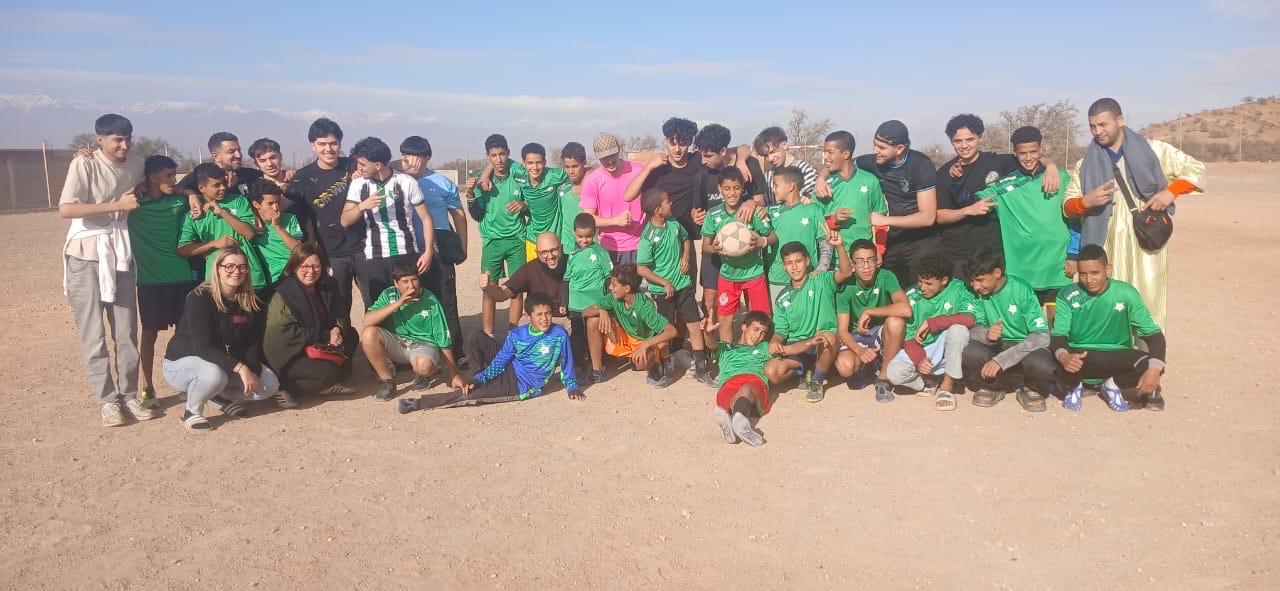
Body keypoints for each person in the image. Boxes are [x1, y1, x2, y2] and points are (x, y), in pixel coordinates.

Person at [1064, 98, 1206, 327]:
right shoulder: (1085, 164)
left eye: (1103, 124)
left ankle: (1150, 349)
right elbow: (1067, 206)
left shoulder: (1155, 150)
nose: (1098, 131)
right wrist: (1086, 202)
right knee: (1107, 309)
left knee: (1147, 304)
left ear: (1120, 120)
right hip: (1105, 245)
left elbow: (1196, 169)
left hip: (1145, 244)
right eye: (1093, 126)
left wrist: (1170, 193)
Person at [59, 113, 150, 427]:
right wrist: (116, 206)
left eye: (128, 138)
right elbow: (66, 208)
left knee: (126, 332)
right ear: (99, 139)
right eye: (117, 140)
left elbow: (152, 183)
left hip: (120, 254)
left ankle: (129, 395)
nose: (124, 145)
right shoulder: (84, 164)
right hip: (85, 254)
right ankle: (108, 402)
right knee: (94, 335)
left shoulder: (137, 163)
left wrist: (190, 193)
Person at [162, 246, 281, 431]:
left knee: (269, 385)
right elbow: (203, 347)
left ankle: (217, 396)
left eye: (242, 267)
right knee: (215, 375)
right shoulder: (200, 297)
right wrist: (241, 368)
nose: (236, 272)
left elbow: (250, 342)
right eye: (229, 266)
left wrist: (252, 369)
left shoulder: (248, 300)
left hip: (218, 362)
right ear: (218, 268)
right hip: (182, 362)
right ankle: (192, 412)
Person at [934, 114, 1061, 276]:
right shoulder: (944, 174)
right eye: (958, 141)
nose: (964, 145)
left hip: (994, 251)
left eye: (970, 139)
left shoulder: (999, 162)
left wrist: (1050, 165)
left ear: (980, 137)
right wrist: (967, 211)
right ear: (951, 141)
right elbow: (940, 216)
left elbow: (1028, 154)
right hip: (959, 253)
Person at [976, 126, 1077, 324]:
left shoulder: (1061, 177)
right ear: (1015, 153)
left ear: (1041, 149)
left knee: (1057, 324)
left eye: (1033, 152)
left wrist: (1074, 255)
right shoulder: (1003, 186)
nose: (1029, 158)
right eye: (1023, 153)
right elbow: (970, 201)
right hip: (1021, 271)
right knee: (1028, 326)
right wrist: (956, 178)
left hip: (1058, 267)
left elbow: (1076, 219)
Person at [412, 293, 582, 410]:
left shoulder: (559, 335)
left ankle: (419, 403)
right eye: (539, 314)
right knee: (475, 337)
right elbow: (502, 360)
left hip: (522, 385)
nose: (544, 319)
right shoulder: (517, 334)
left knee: (472, 395)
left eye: (548, 314)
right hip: (510, 368)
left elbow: (566, 361)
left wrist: (572, 386)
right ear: (528, 316)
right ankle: (477, 379)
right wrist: (480, 378)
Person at [1053, 245, 1167, 412]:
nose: (1089, 280)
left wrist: (1155, 368)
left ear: (1108, 270)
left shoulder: (1126, 293)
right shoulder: (1067, 295)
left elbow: (1154, 334)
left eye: (1095, 273)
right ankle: (1074, 384)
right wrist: (1065, 357)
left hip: (1115, 355)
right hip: (1079, 356)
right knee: (1049, 357)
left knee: (1154, 363)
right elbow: (1058, 335)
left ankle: (1113, 385)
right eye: (1083, 274)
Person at [129, 155, 200, 409]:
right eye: (169, 175)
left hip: (181, 277)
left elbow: (194, 196)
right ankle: (147, 387)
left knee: (185, 333)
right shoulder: (133, 204)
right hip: (150, 281)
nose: (174, 180)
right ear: (152, 177)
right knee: (149, 334)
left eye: (174, 175)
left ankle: (186, 383)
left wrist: (190, 193)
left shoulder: (179, 202)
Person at [838, 120, 938, 287]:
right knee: (892, 289)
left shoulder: (921, 165)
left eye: (882, 148)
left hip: (921, 240)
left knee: (921, 290)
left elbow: (928, 217)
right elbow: (842, 162)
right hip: (893, 240)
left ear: (900, 148)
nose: (875, 151)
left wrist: (885, 220)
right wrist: (821, 179)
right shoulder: (873, 161)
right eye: (875, 145)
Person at [398, 135, 466, 365]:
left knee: (446, 301)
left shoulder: (442, 183)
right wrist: (402, 167)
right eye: (405, 155)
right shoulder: (397, 179)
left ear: (427, 157)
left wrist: (463, 247)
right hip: (409, 252)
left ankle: (457, 351)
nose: (409, 160)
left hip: (439, 251)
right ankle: (422, 353)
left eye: (414, 155)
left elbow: (458, 215)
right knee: (415, 302)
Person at [340, 136, 434, 302]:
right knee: (378, 306)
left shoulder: (406, 182)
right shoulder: (358, 184)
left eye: (362, 164)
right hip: (374, 256)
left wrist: (428, 252)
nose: (358, 168)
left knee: (410, 303)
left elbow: (426, 218)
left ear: (377, 165)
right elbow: (344, 221)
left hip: (405, 253)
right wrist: (362, 206)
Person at [637, 187, 714, 386]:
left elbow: (685, 239)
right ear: (658, 210)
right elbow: (641, 269)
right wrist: (664, 283)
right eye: (667, 201)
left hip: (683, 285)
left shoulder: (674, 224)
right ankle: (666, 371)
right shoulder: (647, 237)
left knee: (694, 326)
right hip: (662, 292)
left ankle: (702, 370)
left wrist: (685, 256)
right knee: (665, 332)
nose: (671, 203)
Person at [961, 249, 1056, 412]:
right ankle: (992, 386)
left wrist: (1002, 360)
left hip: (1022, 347)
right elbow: (970, 328)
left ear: (997, 273)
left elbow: (1042, 336)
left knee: (1042, 362)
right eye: (972, 281)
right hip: (995, 346)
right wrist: (986, 334)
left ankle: (1030, 387)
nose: (976, 286)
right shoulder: (975, 294)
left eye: (980, 280)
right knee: (970, 351)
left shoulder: (1021, 289)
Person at [691, 123, 766, 327]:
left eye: (708, 156)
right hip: (717, 246)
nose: (703, 161)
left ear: (723, 151)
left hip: (746, 251)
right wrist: (696, 216)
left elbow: (761, 202)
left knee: (753, 303)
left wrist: (752, 202)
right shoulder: (702, 175)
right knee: (710, 301)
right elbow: (697, 210)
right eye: (702, 155)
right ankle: (714, 342)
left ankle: (753, 339)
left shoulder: (749, 165)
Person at [263, 243, 358, 401]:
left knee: (351, 336)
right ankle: (283, 389)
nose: (311, 271)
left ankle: (325, 380)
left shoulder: (327, 286)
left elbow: (341, 313)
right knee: (330, 373)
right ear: (295, 267)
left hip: (316, 343)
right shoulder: (283, 293)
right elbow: (283, 334)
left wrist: (336, 329)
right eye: (305, 266)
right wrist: (324, 336)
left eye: (316, 266)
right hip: (290, 352)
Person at [763, 237, 853, 403]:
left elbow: (846, 272)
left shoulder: (821, 280)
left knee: (829, 338)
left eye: (798, 261)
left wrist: (839, 246)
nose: (794, 267)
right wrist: (775, 341)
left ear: (807, 261)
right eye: (789, 263)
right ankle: (803, 372)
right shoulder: (782, 298)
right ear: (783, 266)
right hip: (798, 346)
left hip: (821, 341)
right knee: (772, 372)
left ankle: (817, 380)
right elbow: (781, 331)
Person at [285, 118, 360, 316]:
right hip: (331, 252)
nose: (328, 149)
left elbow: (382, 163)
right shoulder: (302, 177)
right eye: (322, 144)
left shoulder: (353, 165)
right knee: (339, 305)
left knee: (377, 300)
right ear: (313, 145)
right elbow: (281, 204)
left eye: (333, 143)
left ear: (340, 144)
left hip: (364, 247)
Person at [885, 253, 976, 410]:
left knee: (958, 330)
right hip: (924, 350)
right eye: (920, 281)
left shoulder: (958, 288)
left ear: (944, 280)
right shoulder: (913, 295)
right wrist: (920, 360)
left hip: (948, 348)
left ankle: (947, 386)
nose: (922, 287)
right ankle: (928, 382)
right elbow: (907, 337)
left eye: (928, 283)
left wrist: (933, 322)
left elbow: (970, 319)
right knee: (893, 373)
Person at [360, 262, 461, 402]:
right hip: (397, 342)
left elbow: (443, 338)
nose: (411, 286)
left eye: (414, 280)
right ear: (396, 283)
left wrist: (453, 374)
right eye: (405, 282)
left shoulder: (430, 300)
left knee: (423, 366)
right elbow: (367, 321)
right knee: (368, 334)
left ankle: (428, 371)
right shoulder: (389, 295)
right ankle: (388, 381)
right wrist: (398, 303)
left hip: (423, 344)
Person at [625, 117, 705, 287]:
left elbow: (738, 150)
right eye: (672, 143)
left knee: (687, 290)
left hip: (684, 240)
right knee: (662, 292)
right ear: (666, 141)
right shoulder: (657, 168)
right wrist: (648, 166)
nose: (677, 149)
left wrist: (742, 158)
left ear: (690, 142)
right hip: (658, 241)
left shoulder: (697, 162)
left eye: (682, 144)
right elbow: (628, 195)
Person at [701, 166, 773, 344]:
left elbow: (773, 237)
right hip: (728, 276)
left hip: (754, 274)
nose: (732, 193)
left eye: (736, 188)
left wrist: (761, 241)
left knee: (761, 320)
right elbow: (705, 247)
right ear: (719, 189)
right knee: (724, 320)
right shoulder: (713, 215)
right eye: (727, 188)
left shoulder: (752, 211)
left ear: (742, 188)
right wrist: (715, 248)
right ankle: (727, 355)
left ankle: (757, 356)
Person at [465, 134, 527, 335]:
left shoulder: (519, 172)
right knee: (489, 289)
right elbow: (476, 214)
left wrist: (523, 204)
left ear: (508, 153)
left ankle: (513, 334)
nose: (498, 159)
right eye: (493, 155)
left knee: (517, 290)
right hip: (492, 241)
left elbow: (531, 200)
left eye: (502, 154)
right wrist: (470, 195)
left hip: (517, 239)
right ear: (487, 156)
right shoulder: (481, 179)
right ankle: (489, 336)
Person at [580, 264, 679, 387]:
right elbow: (585, 312)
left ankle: (656, 363)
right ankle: (597, 372)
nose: (610, 287)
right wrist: (601, 311)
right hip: (626, 337)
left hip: (644, 341)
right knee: (593, 320)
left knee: (642, 362)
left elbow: (672, 331)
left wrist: (645, 344)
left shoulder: (643, 305)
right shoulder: (613, 297)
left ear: (626, 288)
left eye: (614, 285)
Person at [833, 239, 910, 396]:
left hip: (882, 333)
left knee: (896, 322)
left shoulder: (886, 276)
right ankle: (869, 365)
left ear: (877, 261)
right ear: (852, 265)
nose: (867, 267)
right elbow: (842, 330)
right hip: (858, 335)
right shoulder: (846, 286)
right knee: (845, 366)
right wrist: (859, 350)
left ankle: (883, 377)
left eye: (871, 260)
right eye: (860, 262)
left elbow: (906, 309)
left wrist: (870, 311)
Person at [178, 163, 269, 290]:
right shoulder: (193, 214)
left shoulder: (238, 201)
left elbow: (249, 233)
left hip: (250, 279)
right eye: (216, 185)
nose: (223, 188)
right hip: (217, 282)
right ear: (201, 188)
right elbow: (182, 250)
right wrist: (213, 244)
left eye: (224, 183)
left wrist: (223, 213)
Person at [480, 142, 569, 261]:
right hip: (532, 238)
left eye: (538, 162)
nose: (535, 167)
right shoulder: (519, 172)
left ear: (544, 162)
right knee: (533, 272)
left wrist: (581, 184)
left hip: (554, 238)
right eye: (530, 163)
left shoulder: (554, 175)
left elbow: (578, 170)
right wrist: (485, 176)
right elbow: (497, 160)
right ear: (523, 163)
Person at [764, 167, 830, 300]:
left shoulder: (813, 210)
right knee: (780, 313)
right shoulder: (769, 212)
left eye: (776, 185)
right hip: (778, 279)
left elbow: (825, 243)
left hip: (808, 279)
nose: (773, 189)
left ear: (790, 186)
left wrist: (821, 269)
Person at [712, 311, 775, 447]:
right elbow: (711, 345)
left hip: (754, 383)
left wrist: (809, 343)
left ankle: (738, 420)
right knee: (728, 396)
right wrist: (706, 333)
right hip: (729, 383)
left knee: (746, 389)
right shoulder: (725, 348)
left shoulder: (763, 347)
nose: (758, 335)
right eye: (755, 329)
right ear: (743, 327)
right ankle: (733, 425)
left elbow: (788, 349)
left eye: (763, 333)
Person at [580, 133, 645, 265]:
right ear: (597, 156)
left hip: (641, 244)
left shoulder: (639, 171)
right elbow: (588, 219)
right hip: (609, 247)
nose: (609, 161)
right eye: (604, 157)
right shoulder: (592, 180)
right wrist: (616, 220)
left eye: (612, 155)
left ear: (619, 150)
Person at [480, 231, 569, 325]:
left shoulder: (573, 264)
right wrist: (488, 288)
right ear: (537, 253)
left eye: (554, 250)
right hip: (536, 318)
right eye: (544, 252)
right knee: (520, 330)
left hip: (566, 318)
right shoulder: (530, 269)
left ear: (561, 247)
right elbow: (503, 294)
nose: (550, 256)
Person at [564, 214, 613, 384]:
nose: (584, 240)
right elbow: (567, 279)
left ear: (595, 233)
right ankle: (578, 366)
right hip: (576, 303)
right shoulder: (571, 254)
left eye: (588, 236)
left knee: (594, 328)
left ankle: (597, 366)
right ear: (574, 233)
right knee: (577, 335)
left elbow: (608, 278)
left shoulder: (601, 252)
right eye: (580, 236)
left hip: (595, 302)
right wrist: (564, 301)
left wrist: (606, 303)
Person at [816, 130, 887, 247]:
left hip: (864, 255)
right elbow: (814, 225)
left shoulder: (870, 180)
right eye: (824, 152)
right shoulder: (822, 186)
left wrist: (880, 250)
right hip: (834, 255)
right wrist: (834, 220)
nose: (825, 157)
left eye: (830, 152)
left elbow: (881, 221)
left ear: (846, 154)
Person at [176, 132, 264, 211]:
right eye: (231, 151)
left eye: (239, 150)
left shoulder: (250, 174)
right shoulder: (201, 174)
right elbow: (175, 188)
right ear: (216, 156)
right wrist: (191, 195)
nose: (239, 155)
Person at [248, 179, 304, 289]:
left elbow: (298, 249)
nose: (275, 208)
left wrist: (278, 227)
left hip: (296, 273)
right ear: (256, 204)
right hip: (274, 281)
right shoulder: (251, 224)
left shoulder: (290, 218)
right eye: (270, 203)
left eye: (277, 202)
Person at [752, 126, 817, 204]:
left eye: (773, 152)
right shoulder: (768, 177)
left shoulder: (806, 171)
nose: (770, 158)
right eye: (766, 155)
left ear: (784, 145)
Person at [557, 142, 591, 255]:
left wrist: (585, 185)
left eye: (575, 166)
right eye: (567, 167)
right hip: (568, 248)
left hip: (590, 247)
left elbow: (595, 170)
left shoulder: (594, 184)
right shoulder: (562, 188)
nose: (571, 171)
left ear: (584, 163)